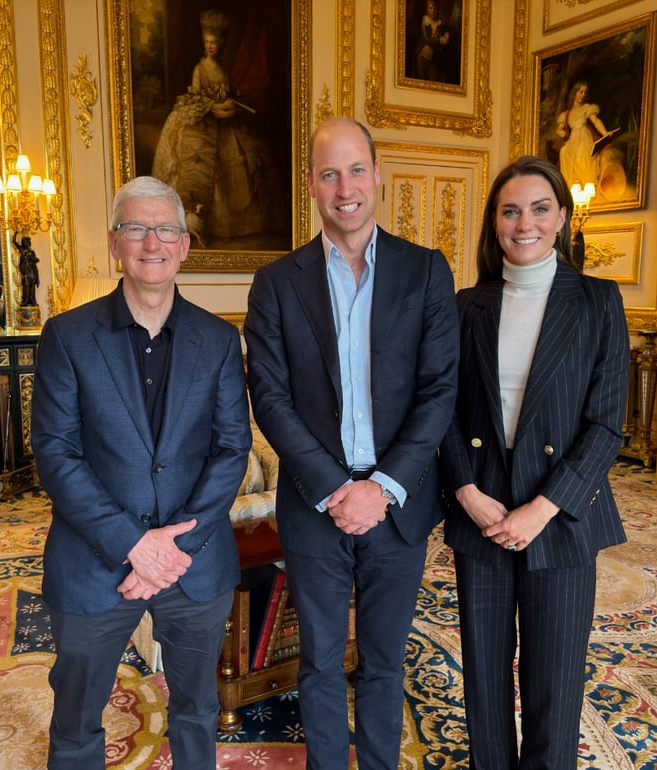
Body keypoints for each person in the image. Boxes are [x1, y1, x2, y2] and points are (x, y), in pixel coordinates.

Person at [244, 117, 459, 770]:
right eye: (329, 172)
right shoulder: (277, 282)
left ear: (378, 175)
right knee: (317, 661)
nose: (345, 187)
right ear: (310, 183)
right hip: (317, 504)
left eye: (356, 169)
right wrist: (340, 488)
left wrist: (382, 487)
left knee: (386, 662)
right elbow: (271, 399)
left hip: (401, 504)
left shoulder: (426, 272)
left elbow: (439, 391)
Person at [31, 175, 251, 769]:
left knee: (198, 711)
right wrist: (134, 544)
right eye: (136, 228)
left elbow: (231, 450)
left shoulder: (219, 339)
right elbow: (55, 451)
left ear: (183, 245)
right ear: (114, 243)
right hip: (92, 562)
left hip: (194, 563)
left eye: (166, 230)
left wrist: (172, 546)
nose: (151, 242)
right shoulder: (67, 336)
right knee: (76, 723)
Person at [438, 155, 630, 770]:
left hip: (562, 517)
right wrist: (466, 492)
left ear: (563, 218)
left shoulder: (598, 301)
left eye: (540, 208)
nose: (526, 222)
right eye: (510, 210)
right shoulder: (466, 305)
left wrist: (542, 509)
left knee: (554, 680)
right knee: (485, 679)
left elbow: (607, 425)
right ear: (495, 223)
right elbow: (441, 409)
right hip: (484, 509)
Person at [151, 9, 284, 243]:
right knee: (200, 166)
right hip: (203, 121)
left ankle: (234, 226)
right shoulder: (200, 68)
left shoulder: (222, 68)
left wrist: (232, 105)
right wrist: (219, 108)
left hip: (225, 126)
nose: (210, 46)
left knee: (237, 169)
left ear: (220, 44)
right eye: (207, 42)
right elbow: (200, 98)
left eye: (214, 42)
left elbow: (225, 95)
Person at [555, 81, 624, 201]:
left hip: (584, 137)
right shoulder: (566, 114)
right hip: (573, 140)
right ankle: (570, 187)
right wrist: (561, 132)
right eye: (580, 91)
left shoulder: (587, 108)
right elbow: (559, 129)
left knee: (582, 154)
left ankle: (586, 187)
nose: (582, 95)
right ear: (574, 93)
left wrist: (605, 133)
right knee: (564, 152)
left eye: (584, 92)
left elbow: (596, 121)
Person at [411, 0, 452, 82]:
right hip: (422, 57)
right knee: (421, 81)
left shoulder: (440, 22)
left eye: (435, 9)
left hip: (434, 58)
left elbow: (447, 30)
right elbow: (427, 40)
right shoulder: (424, 21)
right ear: (427, 9)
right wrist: (441, 40)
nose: (433, 11)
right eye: (430, 8)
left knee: (434, 80)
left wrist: (447, 34)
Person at [14, 235, 39, 307]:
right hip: (25, 271)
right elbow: (14, 242)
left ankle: (32, 299)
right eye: (23, 242)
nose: (24, 243)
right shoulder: (22, 251)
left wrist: (31, 258)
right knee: (26, 285)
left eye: (25, 242)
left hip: (31, 271)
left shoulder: (31, 252)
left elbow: (36, 260)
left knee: (31, 286)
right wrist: (16, 233)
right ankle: (26, 299)